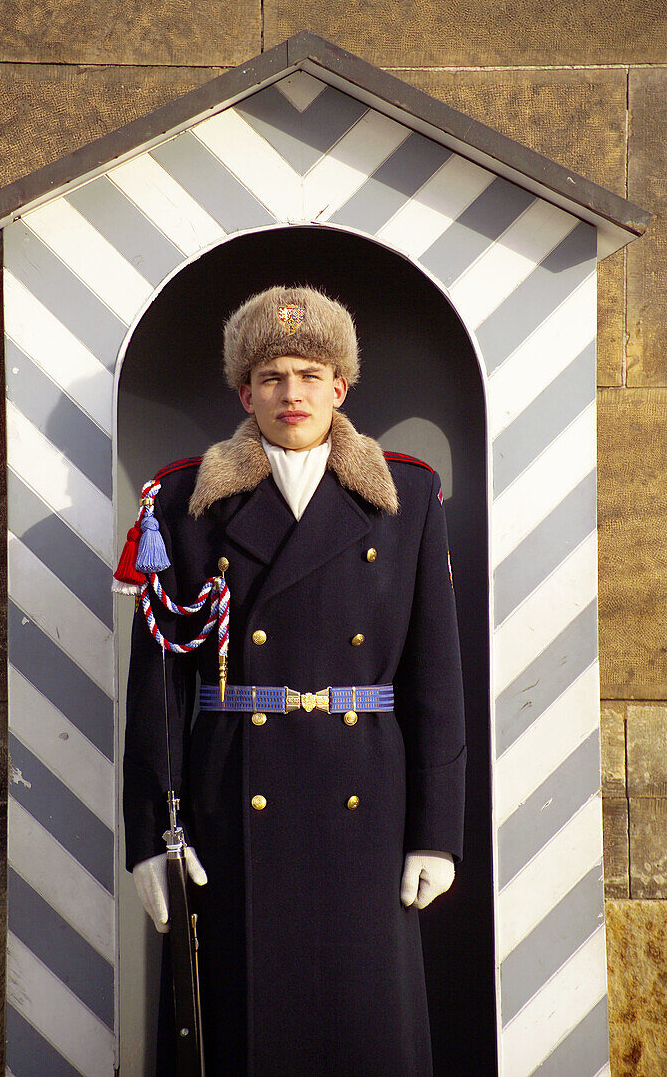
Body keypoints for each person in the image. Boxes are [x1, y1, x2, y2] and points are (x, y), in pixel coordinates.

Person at [116, 285, 467, 1076]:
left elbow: (435, 683)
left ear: (340, 388)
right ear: (245, 393)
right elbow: (161, 687)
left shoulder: (406, 497)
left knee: (364, 1027)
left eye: (310, 374)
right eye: (272, 376)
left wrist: (435, 833)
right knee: (243, 1026)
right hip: (232, 791)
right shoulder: (185, 501)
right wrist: (151, 836)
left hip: (366, 801)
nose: (292, 392)